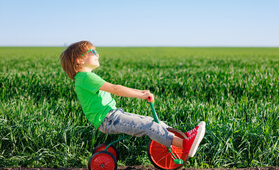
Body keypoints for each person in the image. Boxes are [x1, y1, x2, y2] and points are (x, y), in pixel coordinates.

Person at [60, 40, 205, 157]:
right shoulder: (85, 77)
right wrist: (140, 95)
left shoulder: (85, 77)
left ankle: (184, 137)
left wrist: (141, 92)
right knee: (149, 126)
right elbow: (115, 89)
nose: (97, 54)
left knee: (153, 121)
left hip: (112, 116)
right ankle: (185, 145)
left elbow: (115, 87)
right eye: (93, 52)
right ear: (79, 60)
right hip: (108, 119)